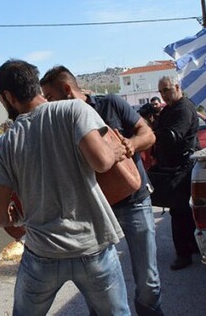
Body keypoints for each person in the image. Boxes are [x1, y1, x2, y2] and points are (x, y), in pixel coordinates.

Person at [0, 59, 131, 316]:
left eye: (0, 100)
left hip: (41, 254)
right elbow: (101, 162)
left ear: (9, 96)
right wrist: (116, 150)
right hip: (92, 246)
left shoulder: (4, 144)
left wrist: (15, 215)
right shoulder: (74, 110)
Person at [40, 66, 163, 316]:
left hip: (134, 201)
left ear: (66, 90)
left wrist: (131, 144)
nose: (47, 104)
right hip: (95, 210)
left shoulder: (111, 104)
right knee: (99, 284)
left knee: (148, 280)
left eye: (50, 97)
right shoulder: (59, 122)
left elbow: (147, 134)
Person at [154, 75, 199, 270]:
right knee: (183, 210)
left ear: (177, 87)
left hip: (182, 165)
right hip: (173, 165)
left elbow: (172, 136)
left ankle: (184, 254)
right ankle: (192, 245)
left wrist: (150, 133)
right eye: (161, 91)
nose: (164, 95)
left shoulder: (183, 108)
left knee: (178, 210)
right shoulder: (170, 109)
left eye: (166, 90)